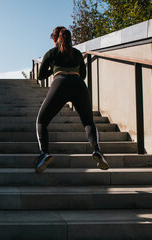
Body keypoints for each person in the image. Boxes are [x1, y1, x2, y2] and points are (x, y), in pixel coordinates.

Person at [34, 26, 109, 173]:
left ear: (54, 38)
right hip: (79, 84)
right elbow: (83, 74)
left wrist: (53, 69)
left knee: (42, 121)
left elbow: (40, 76)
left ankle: (44, 153)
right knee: (88, 121)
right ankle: (97, 151)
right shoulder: (76, 53)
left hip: (59, 83)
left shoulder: (51, 53)